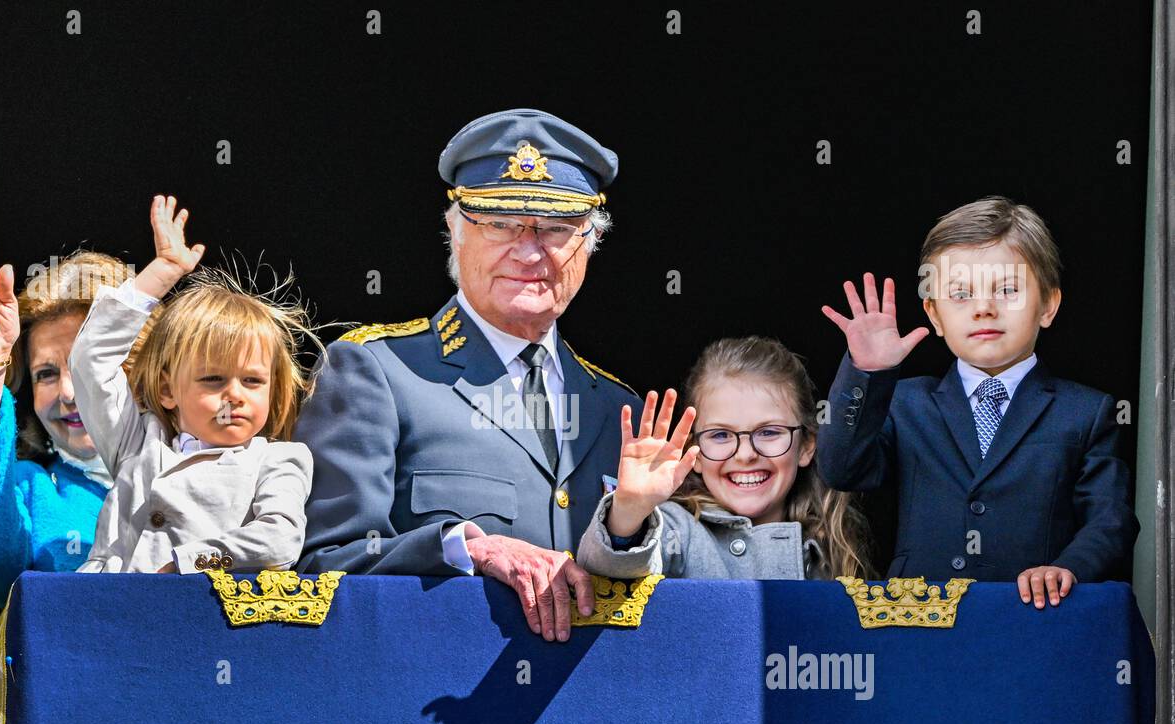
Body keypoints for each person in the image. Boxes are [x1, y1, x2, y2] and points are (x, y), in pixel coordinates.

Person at [297, 108, 640, 642]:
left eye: (554, 230)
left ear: (589, 248)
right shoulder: (378, 370)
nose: (529, 252)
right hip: (428, 706)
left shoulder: (618, 408)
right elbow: (321, 565)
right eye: (499, 224)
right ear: (455, 233)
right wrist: (466, 549)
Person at [816, 196, 1139, 607]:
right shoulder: (905, 402)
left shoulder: (1085, 412)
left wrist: (1068, 568)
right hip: (919, 622)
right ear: (934, 315)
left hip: (1034, 619)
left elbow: (1110, 520)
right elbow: (841, 469)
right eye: (961, 295)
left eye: (1007, 290)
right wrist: (867, 373)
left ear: (1048, 305)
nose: (984, 308)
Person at [71, 195, 316, 574]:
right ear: (168, 391)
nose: (234, 394)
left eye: (252, 380)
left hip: (205, 621)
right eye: (213, 379)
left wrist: (185, 562)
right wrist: (161, 274)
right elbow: (92, 360)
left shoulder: (278, 459)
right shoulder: (135, 441)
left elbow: (279, 539)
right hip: (106, 612)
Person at [578, 337, 873, 580]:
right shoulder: (676, 531)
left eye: (769, 432)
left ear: (807, 445)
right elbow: (607, 570)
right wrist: (629, 512)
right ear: (694, 453)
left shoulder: (834, 546)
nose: (745, 455)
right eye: (720, 435)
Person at [0, 234, 128, 606]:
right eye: (45, 374)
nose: (69, 393)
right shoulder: (33, 490)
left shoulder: (201, 465)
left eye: (87, 366)